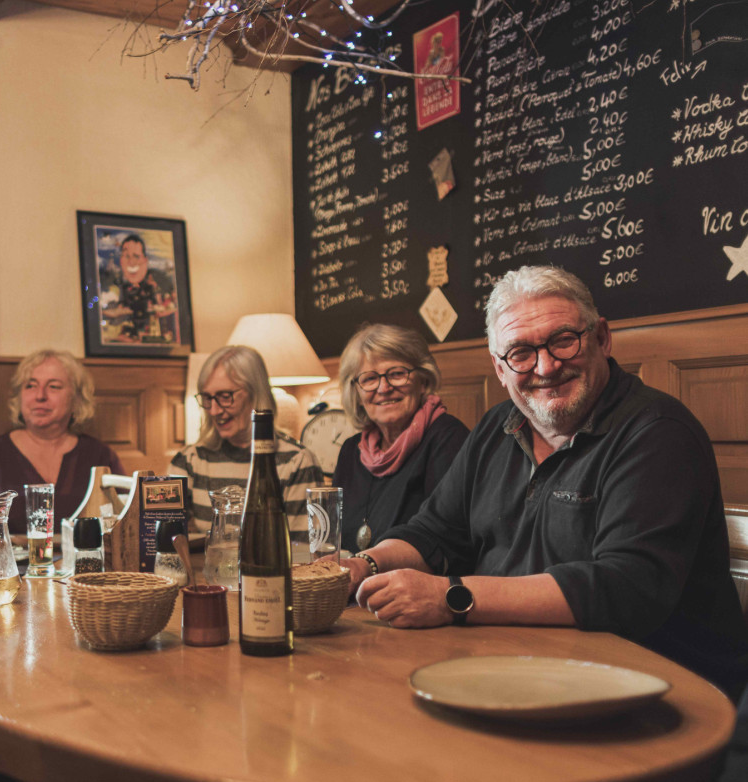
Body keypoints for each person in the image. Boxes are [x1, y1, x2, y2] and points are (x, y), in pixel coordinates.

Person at [346, 265, 748, 701]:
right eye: (520, 352)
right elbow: (433, 530)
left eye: (562, 340)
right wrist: (361, 565)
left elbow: (626, 587)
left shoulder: (658, 432)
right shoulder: (496, 427)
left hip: (659, 690)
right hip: (512, 668)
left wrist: (451, 597)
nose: (546, 365)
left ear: (601, 338)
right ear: (500, 369)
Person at [332, 324, 469, 554]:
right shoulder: (350, 451)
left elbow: (447, 538)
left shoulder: (449, 439)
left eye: (396, 374)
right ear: (356, 391)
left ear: (423, 380)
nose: (383, 388)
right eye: (369, 379)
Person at [0, 350, 126, 534]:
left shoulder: (100, 456)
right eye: (30, 385)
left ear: (76, 399)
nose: (40, 395)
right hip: (12, 563)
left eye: (53, 386)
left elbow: (124, 524)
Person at [169, 345, 323, 541]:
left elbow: (301, 551)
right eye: (208, 398)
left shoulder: (297, 462)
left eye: (226, 397)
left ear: (256, 394)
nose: (214, 411)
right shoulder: (188, 461)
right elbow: (175, 543)